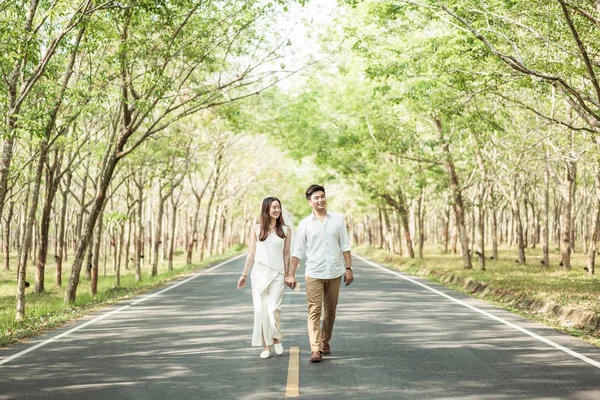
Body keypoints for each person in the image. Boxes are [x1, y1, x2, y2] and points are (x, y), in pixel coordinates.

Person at [285, 184, 353, 363]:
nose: (320, 200)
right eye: (316, 197)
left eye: (322, 196)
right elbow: (298, 250)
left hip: (335, 272)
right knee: (314, 310)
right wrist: (291, 274)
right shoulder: (305, 224)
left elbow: (345, 245)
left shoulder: (338, 219)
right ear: (310, 202)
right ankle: (315, 348)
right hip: (314, 273)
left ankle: (325, 340)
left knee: (330, 310)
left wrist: (348, 268)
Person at [238, 197, 292, 359]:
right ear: (266, 209)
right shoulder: (256, 229)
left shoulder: (286, 230)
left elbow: (287, 253)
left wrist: (288, 274)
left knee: (273, 308)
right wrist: (244, 274)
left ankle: (276, 338)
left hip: (278, 273)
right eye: (274, 207)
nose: (277, 210)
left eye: (279, 207)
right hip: (259, 274)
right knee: (261, 311)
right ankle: (267, 346)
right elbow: (251, 253)